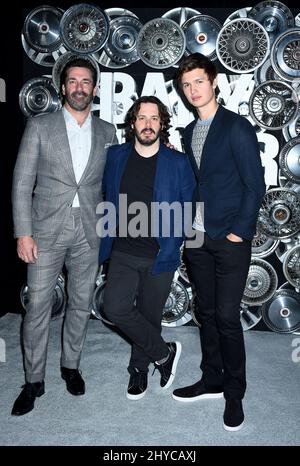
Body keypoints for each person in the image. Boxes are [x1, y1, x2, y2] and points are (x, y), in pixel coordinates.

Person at [11, 57, 117, 416]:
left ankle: (70, 367)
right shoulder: (40, 126)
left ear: (95, 89)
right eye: (73, 81)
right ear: (63, 86)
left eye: (86, 82)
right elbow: (22, 184)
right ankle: (33, 380)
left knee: (80, 302)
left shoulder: (107, 132)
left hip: (89, 229)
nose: (79, 88)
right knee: (38, 306)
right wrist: (23, 233)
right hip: (44, 230)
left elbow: (110, 185)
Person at [172, 53, 266, 431]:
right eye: (186, 85)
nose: (193, 90)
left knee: (227, 317)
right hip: (197, 237)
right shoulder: (187, 131)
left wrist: (239, 231)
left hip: (229, 237)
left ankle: (235, 391)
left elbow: (255, 185)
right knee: (206, 313)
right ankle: (211, 377)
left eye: (198, 81)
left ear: (213, 82)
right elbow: (200, 184)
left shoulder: (236, 127)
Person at [98, 96, 196, 400]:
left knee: (150, 315)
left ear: (162, 123)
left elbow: (189, 206)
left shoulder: (177, 162)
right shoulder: (115, 156)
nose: (148, 124)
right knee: (114, 307)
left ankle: (138, 369)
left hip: (160, 253)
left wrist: (176, 242)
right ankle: (164, 354)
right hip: (124, 251)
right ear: (132, 123)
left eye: (154, 118)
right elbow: (106, 197)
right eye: (142, 118)